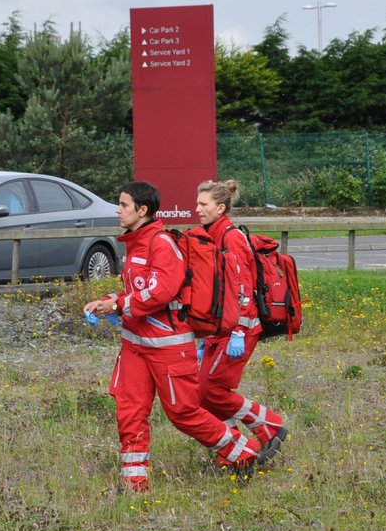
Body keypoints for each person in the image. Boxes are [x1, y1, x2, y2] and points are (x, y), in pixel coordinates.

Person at [83, 180, 265, 492]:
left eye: (124, 204)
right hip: (134, 347)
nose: (118, 209)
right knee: (129, 410)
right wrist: (109, 302)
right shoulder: (136, 244)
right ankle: (134, 483)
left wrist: (120, 303)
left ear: (142, 210)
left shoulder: (161, 244)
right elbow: (140, 290)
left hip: (167, 349)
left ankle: (243, 453)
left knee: (183, 413)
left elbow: (162, 291)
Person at [192, 179, 288, 459]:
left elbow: (242, 288)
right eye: (198, 203)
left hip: (238, 329)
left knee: (212, 390)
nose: (197, 209)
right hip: (221, 330)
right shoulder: (215, 235)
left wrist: (237, 331)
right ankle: (235, 448)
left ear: (220, 208)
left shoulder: (231, 238)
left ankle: (269, 425)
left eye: (203, 204)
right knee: (201, 391)